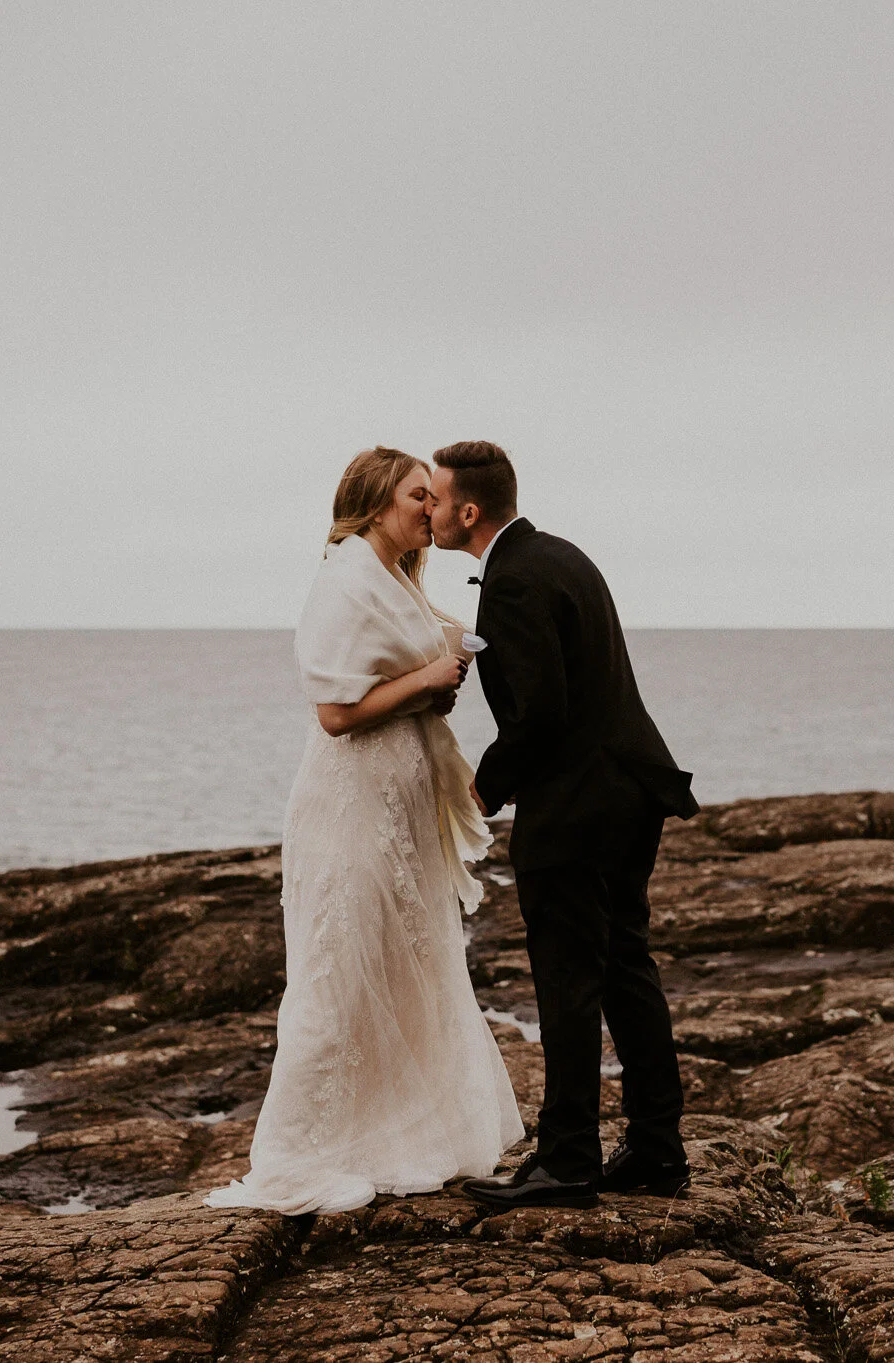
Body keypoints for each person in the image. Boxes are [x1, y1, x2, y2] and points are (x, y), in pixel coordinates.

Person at [204, 448, 523, 1215]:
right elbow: (337, 713)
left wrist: (433, 689)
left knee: (402, 962)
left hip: (399, 803)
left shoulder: (400, 579)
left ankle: (394, 1136)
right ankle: (296, 1154)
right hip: (351, 805)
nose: (432, 508)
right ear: (379, 503)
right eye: (419, 495)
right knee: (341, 966)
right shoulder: (345, 578)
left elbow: (398, 688)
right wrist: (430, 680)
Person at [427, 440, 699, 1210]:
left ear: (468, 510)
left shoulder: (513, 581)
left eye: (438, 500)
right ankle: (656, 1149)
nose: (432, 513)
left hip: (577, 809)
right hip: (629, 794)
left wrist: (484, 786)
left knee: (570, 982)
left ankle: (569, 1158)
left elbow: (541, 712)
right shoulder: (563, 556)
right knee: (624, 969)